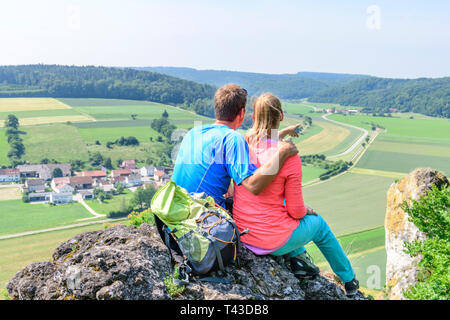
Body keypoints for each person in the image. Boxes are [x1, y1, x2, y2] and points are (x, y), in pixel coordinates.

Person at [232, 93, 359, 297]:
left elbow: (264, 141)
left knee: (277, 209)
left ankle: (300, 262)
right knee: (319, 226)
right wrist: (306, 211)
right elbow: (296, 210)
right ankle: (349, 280)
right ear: (280, 116)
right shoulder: (289, 157)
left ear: (253, 117)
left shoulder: (244, 144)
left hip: (244, 234)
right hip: (270, 241)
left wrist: (281, 134)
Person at [172, 83, 300, 212]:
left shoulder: (194, 132)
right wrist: (283, 152)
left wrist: (281, 133)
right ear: (242, 113)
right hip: (201, 218)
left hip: (173, 212)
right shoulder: (232, 138)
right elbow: (253, 186)